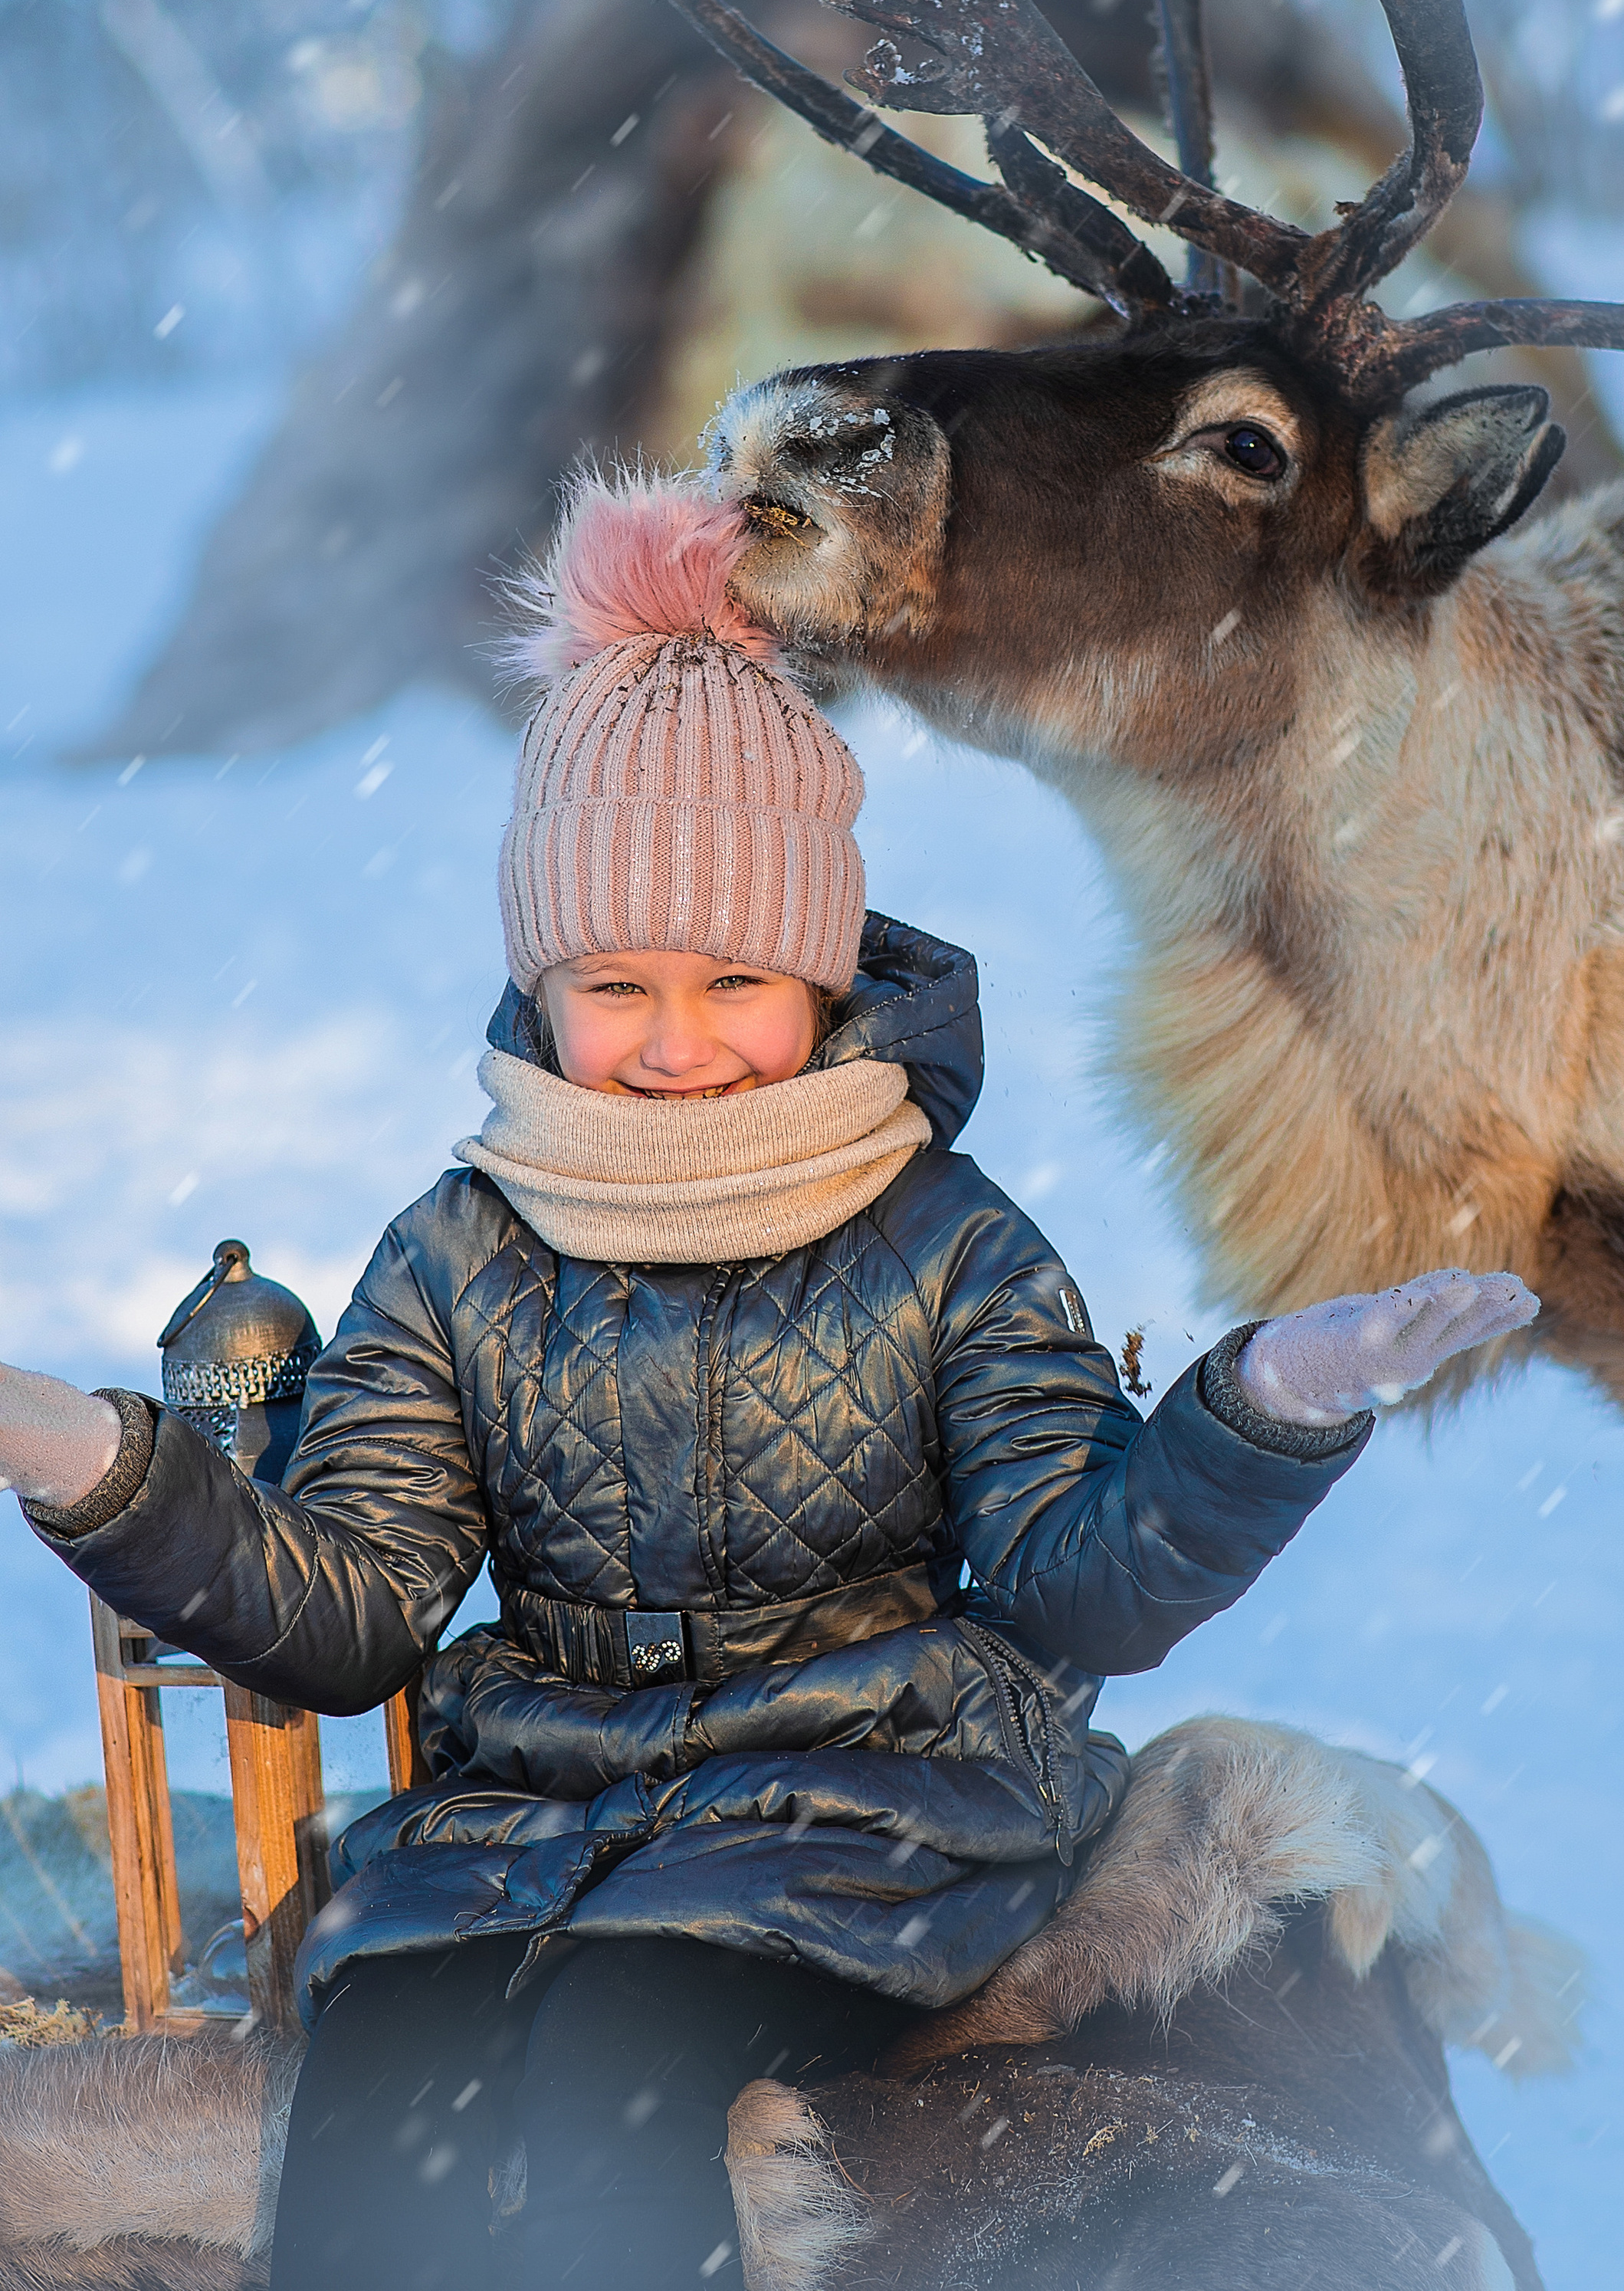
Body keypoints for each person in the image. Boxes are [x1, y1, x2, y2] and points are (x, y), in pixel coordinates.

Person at [0, 472, 1536, 2289]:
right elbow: (351, 1611)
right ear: (538, 980)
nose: (671, 1046)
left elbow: (1076, 1567)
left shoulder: (941, 1237)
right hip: (533, 1812)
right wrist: (85, 1456)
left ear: (816, 973)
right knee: (377, 2102)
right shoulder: (462, 1246)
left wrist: (1265, 1405)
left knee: (603, 2100)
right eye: (612, 985)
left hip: (864, 1800)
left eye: (733, 978)